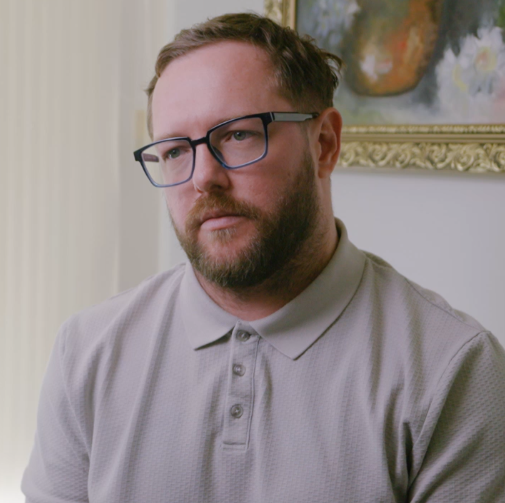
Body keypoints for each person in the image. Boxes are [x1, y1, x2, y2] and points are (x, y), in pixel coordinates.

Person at [22, 13, 505, 503]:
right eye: (174, 151)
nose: (202, 178)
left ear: (324, 144)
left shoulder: (453, 370)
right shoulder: (86, 354)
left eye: (238, 135)